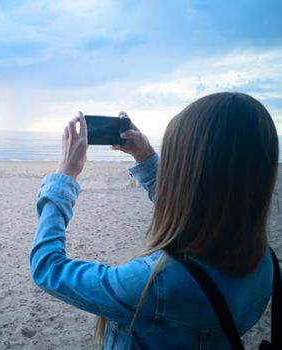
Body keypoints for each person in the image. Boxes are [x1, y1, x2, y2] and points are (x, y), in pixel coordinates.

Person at [30, 92, 279, 349]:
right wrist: (146, 157)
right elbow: (199, 206)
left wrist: (66, 176)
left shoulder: (154, 286)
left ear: (187, 171)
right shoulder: (265, 262)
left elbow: (48, 268)